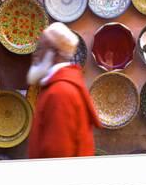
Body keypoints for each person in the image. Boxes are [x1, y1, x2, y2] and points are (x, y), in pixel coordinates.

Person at [27, 22, 102, 159]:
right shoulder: (59, 85)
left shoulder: (60, 92)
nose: (35, 54)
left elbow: (58, 156)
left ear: (53, 53)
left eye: (40, 48)